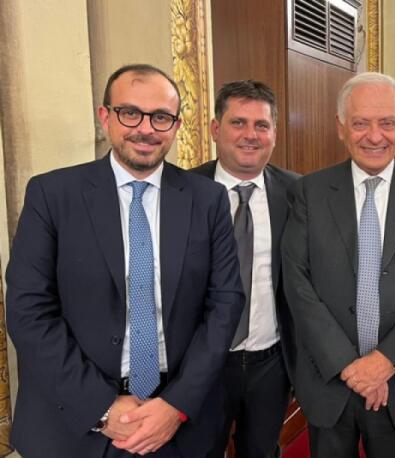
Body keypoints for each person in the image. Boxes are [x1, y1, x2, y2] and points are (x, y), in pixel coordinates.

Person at [5, 64, 244, 458]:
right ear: (106, 117)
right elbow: (29, 311)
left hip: (178, 420)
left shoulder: (207, 199)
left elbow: (225, 304)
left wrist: (177, 404)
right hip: (73, 421)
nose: (145, 129)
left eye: (161, 117)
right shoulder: (53, 194)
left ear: (176, 125)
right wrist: (101, 407)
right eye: (130, 113)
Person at [282, 72, 395, 458]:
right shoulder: (309, 191)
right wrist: (349, 366)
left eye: (387, 123)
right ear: (340, 127)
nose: (374, 136)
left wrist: (385, 362)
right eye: (360, 123)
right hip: (330, 379)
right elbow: (298, 283)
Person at [191, 80, 299, 458]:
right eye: (238, 122)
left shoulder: (298, 193)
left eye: (261, 125)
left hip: (271, 362)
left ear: (274, 134)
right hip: (200, 362)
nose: (250, 135)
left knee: (262, 451)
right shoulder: (182, 191)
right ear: (215, 128)